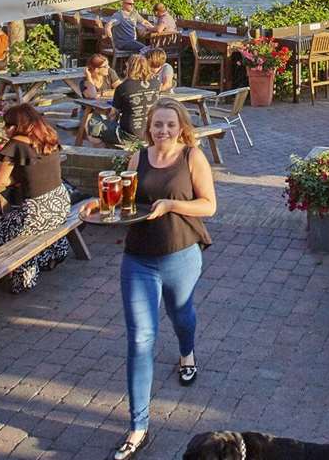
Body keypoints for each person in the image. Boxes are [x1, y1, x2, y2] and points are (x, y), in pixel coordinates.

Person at [113, 100, 217, 460]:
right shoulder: (138, 158)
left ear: (181, 127)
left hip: (181, 254)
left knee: (181, 315)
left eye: (170, 125)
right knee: (141, 339)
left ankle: (187, 354)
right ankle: (138, 425)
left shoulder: (192, 157)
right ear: (149, 128)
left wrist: (172, 206)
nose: (163, 131)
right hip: (138, 258)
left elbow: (209, 206)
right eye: (157, 125)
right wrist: (99, 206)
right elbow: (126, 202)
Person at [0, 102, 71, 293]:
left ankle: (15, 272)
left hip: (37, 213)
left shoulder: (16, 144)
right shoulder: (47, 137)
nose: (4, 129)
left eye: (7, 125)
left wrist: (11, 178)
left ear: (16, 126)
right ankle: (46, 255)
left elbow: (0, 181)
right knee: (14, 225)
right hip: (61, 204)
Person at [106, 55, 158, 144]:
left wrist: (108, 125)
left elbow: (113, 114)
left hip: (129, 135)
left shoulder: (123, 87)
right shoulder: (156, 83)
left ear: (130, 67)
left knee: (95, 130)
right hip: (152, 132)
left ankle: (111, 156)